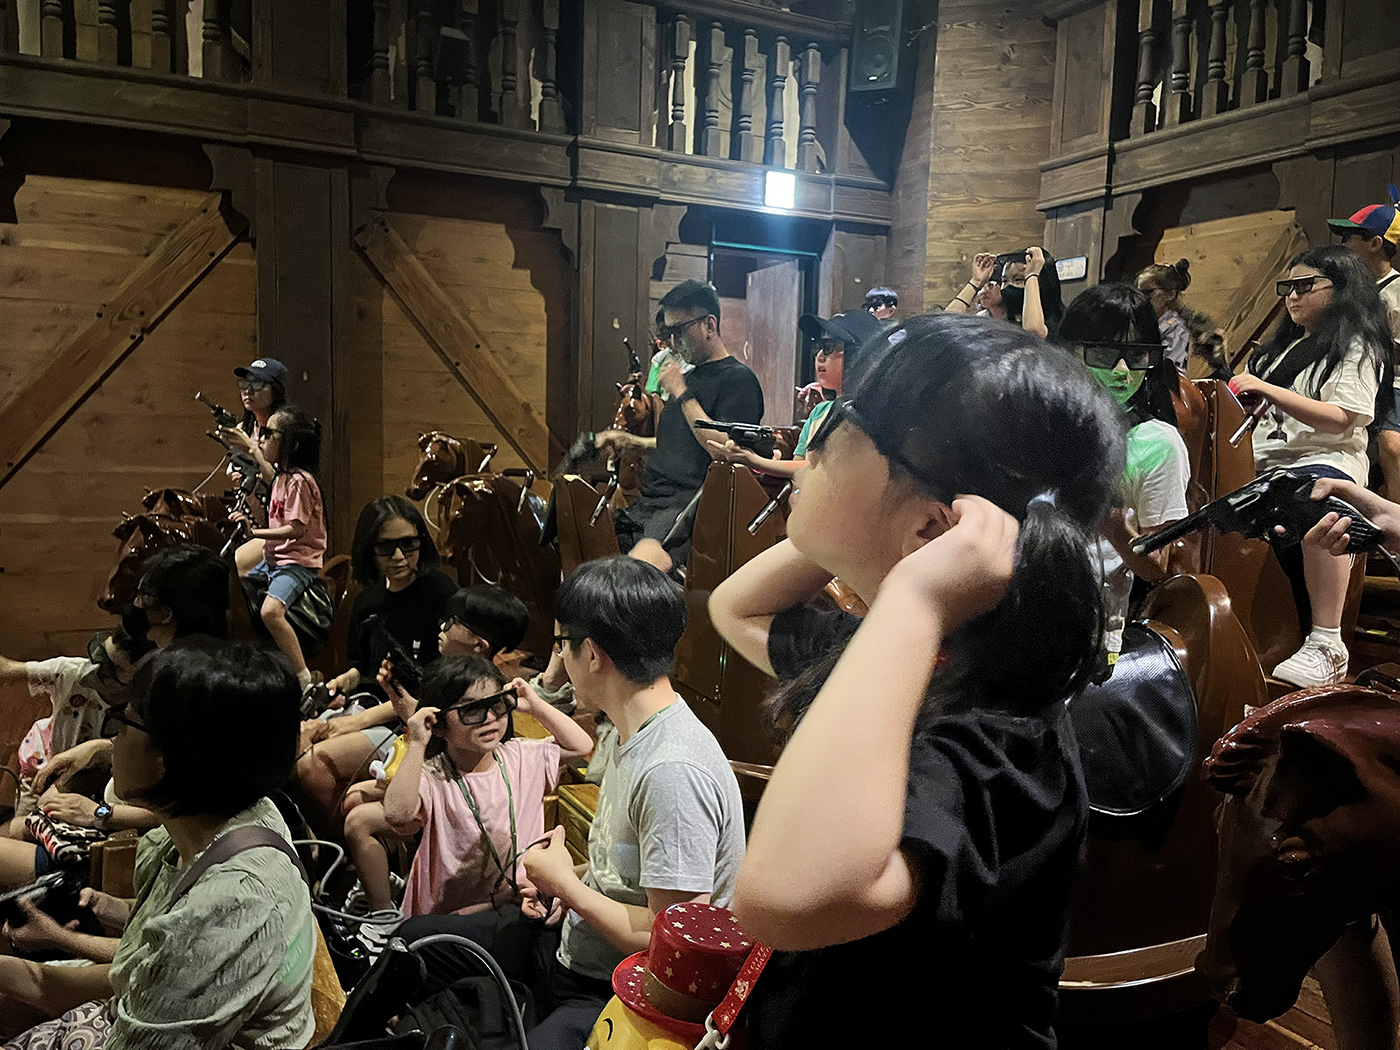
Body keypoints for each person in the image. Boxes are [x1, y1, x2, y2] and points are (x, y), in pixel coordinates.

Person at [708, 313, 1125, 1048]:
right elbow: (735, 608)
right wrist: (890, 559)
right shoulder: (897, 660)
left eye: (837, 428)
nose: (808, 448)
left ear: (935, 530)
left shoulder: (1000, 741)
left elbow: (782, 899)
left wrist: (917, 591)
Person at [397, 556, 746, 1050]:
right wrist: (564, 880)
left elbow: (670, 941)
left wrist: (563, 882)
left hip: (614, 987)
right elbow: (627, 876)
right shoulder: (631, 728)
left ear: (593, 654)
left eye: (561, 643)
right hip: (569, 939)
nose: (557, 658)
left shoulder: (672, 771)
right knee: (412, 941)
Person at [0, 638, 315, 1050]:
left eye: (124, 721)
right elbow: (143, 973)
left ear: (172, 756)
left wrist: (57, 949)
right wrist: (112, 913)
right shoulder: (238, 816)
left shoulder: (227, 907)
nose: (112, 739)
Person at [0, 545, 231, 886]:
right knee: (15, 827)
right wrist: (95, 749)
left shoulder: (189, 689)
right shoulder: (184, 670)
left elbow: (192, 806)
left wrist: (99, 813)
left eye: (144, 597)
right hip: (117, 823)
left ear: (167, 613)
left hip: (132, 845)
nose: (133, 605)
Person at [338, 657, 590, 953]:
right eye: (472, 710)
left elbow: (581, 746)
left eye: (497, 704)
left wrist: (535, 705)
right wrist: (417, 742)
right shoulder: (435, 776)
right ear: (439, 724)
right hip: (446, 915)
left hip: (513, 905)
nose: (490, 718)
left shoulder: (520, 756)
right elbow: (396, 813)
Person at [1231, 245, 1394, 687]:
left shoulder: (1356, 346)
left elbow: (1341, 417)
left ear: (1341, 289)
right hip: (1264, 465)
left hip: (1325, 460)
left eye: (1305, 286)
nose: (1292, 296)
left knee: (1317, 502)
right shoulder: (1276, 351)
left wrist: (1270, 390)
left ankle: (1327, 641)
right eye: (1287, 287)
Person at [296, 584, 530, 839]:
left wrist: (404, 711)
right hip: (431, 767)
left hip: (453, 790)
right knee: (352, 795)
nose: (442, 625)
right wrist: (397, 696)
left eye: (453, 622)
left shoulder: (483, 696)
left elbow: (444, 742)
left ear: (479, 644)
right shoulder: (450, 674)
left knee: (355, 811)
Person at [1058, 284, 1191, 663]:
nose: (1122, 371)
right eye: (1105, 354)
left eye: (1136, 356)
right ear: (1071, 352)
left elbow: (1157, 567)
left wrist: (1112, 523)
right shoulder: (1045, 423)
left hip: (1092, 640)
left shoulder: (1156, 443)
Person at [596, 281, 764, 572]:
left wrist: (682, 393)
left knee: (629, 574)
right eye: (668, 333)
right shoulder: (690, 378)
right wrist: (631, 442)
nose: (672, 343)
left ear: (709, 325)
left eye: (680, 330)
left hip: (688, 512)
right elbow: (678, 445)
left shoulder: (738, 380)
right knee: (578, 534)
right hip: (650, 505)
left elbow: (724, 451)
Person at [707, 309, 883, 479]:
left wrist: (755, 460)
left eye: (829, 347)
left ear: (861, 354)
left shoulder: (869, 418)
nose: (820, 357)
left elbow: (821, 470)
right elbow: (798, 467)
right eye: (819, 347)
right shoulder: (819, 412)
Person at [229, 406, 326, 690]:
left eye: (269, 434)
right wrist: (248, 500)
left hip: (296, 562)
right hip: (274, 559)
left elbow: (295, 529)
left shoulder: (301, 481)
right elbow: (269, 519)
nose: (261, 438)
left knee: (270, 612)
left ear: (291, 444)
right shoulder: (280, 479)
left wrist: (254, 533)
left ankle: (303, 677)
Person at [1330, 194, 1400, 497]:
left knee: (1391, 445)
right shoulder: (1345, 292)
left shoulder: (1396, 290)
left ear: (1375, 243)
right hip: (1353, 378)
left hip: (1391, 382)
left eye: (1351, 236)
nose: (1344, 244)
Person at [215, 358, 290, 574]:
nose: (248, 391)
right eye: (244, 383)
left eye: (257, 384)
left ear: (275, 390)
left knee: (231, 566)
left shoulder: (285, 430)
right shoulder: (244, 428)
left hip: (278, 524)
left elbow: (281, 482)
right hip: (248, 516)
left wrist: (250, 448)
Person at [1135, 259, 1231, 379]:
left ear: (1170, 294)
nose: (1141, 299)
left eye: (1147, 292)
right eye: (1137, 293)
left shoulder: (1176, 329)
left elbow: (1168, 371)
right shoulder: (1148, 324)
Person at [946, 247, 1064, 339]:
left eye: (1018, 280)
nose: (1008, 287)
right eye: (1004, 281)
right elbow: (944, 324)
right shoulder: (996, 323)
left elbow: (1033, 332)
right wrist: (976, 281)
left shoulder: (1060, 326)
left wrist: (1031, 275)